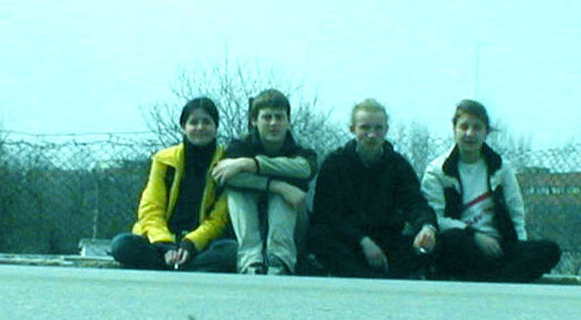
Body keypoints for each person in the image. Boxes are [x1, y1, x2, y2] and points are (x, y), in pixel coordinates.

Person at [421, 99, 561, 282]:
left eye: (477, 128)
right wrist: (474, 235)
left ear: (486, 132)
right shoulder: (437, 171)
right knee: (450, 241)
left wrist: (520, 247)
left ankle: (492, 279)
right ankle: (499, 278)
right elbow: (435, 219)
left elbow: (516, 212)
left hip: (498, 247)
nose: (470, 133)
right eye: (464, 127)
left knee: (550, 250)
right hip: (462, 244)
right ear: (454, 129)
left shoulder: (502, 168)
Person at [308, 99, 437, 278]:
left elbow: (415, 204)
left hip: (387, 241)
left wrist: (426, 227)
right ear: (352, 129)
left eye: (378, 128)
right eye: (365, 128)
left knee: (431, 243)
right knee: (319, 237)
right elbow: (326, 214)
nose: (371, 135)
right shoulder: (335, 163)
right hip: (347, 240)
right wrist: (362, 240)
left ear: (386, 130)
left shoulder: (398, 165)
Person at [110, 97, 236, 271]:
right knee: (121, 244)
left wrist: (190, 244)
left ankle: (180, 265)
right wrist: (166, 246)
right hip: (160, 244)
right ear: (184, 127)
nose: (200, 127)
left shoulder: (226, 163)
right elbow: (151, 211)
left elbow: (218, 220)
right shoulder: (164, 160)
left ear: (216, 127)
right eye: (193, 122)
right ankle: (181, 266)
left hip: (201, 246)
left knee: (232, 252)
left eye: (206, 122)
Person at [212, 89, 317, 275]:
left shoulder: (300, 152)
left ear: (288, 121)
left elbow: (305, 168)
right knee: (238, 192)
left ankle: (280, 263)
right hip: (247, 224)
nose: (274, 123)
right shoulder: (240, 147)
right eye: (267, 117)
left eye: (279, 117)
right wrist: (277, 186)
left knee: (282, 199)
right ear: (254, 121)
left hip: (292, 231)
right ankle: (250, 263)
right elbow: (223, 175)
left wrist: (252, 164)